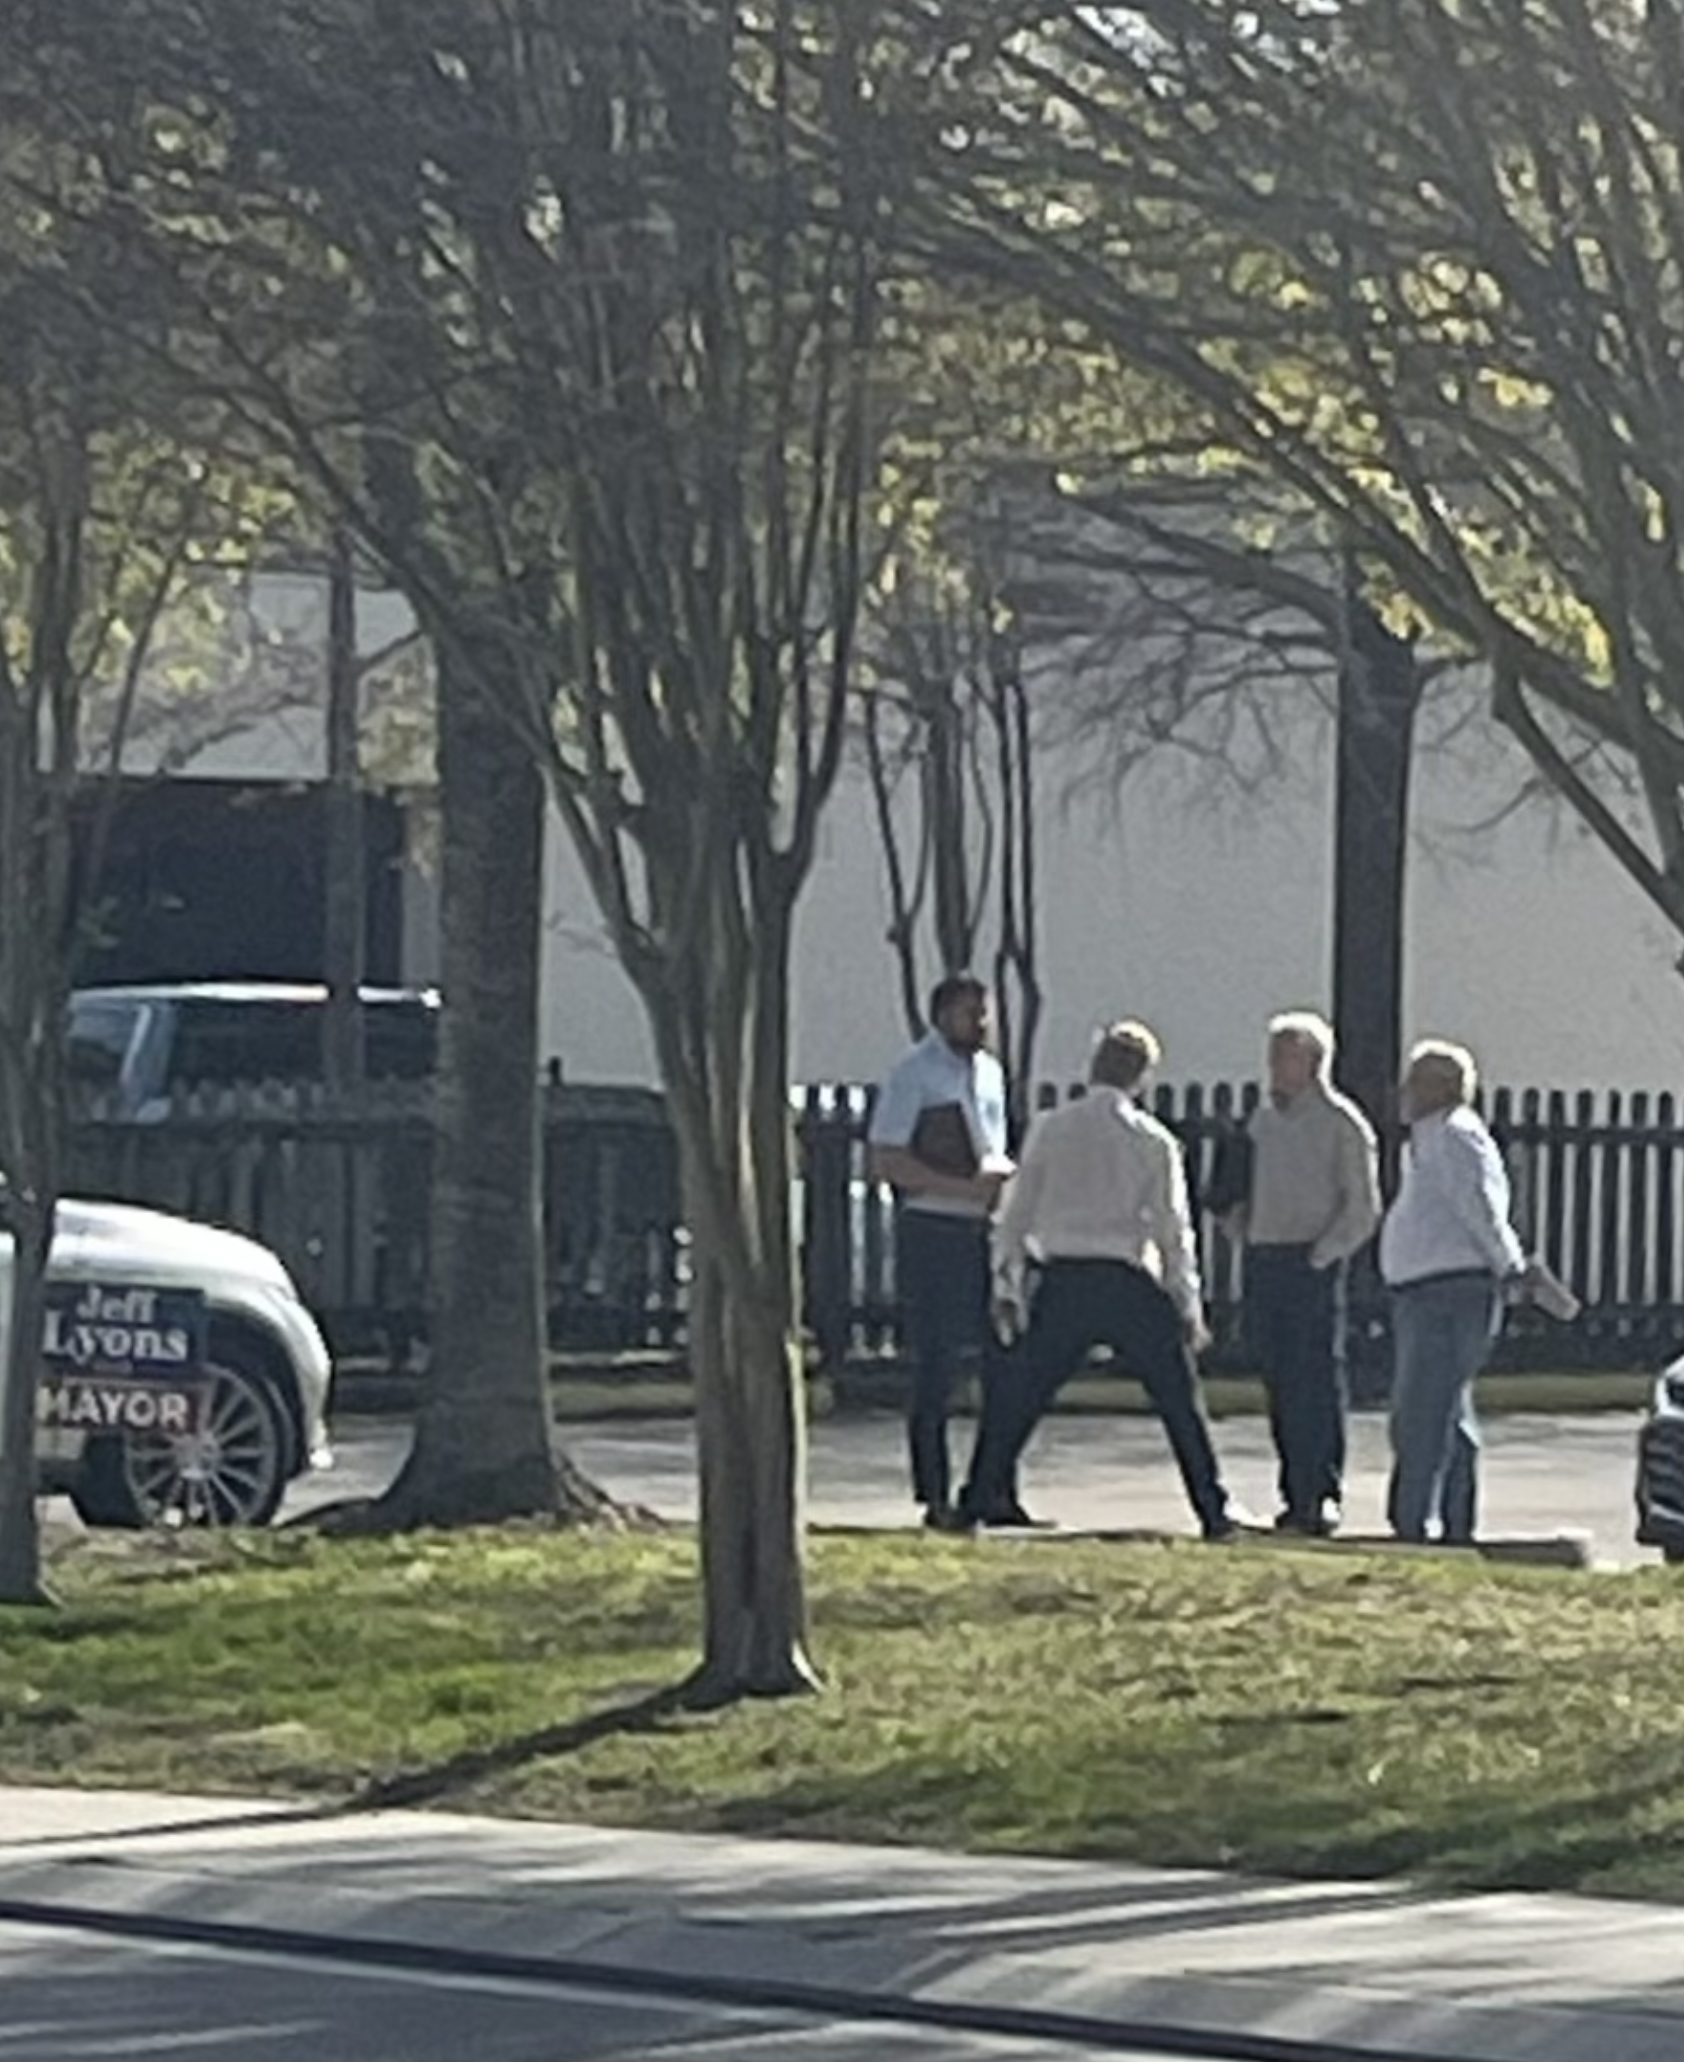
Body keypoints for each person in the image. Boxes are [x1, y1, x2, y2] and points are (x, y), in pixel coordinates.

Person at [954, 1021, 1236, 1540]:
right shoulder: (1153, 1141)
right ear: (1143, 1078)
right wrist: (1187, 1302)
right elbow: (1173, 1228)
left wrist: (1007, 1285)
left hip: (1064, 1277)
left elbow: (1016, 1214)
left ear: (1092, 1067)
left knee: (1021, 1395)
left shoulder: (1050, 1128)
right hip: (1126, 1275)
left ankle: (973, 1500)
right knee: (1178, 1397)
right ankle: (1212, 1508)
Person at [868, 973, 1018, 1526]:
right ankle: (934, 1494)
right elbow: (887, 1158)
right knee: (937, 1364)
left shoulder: (990, 1074)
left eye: (985, 1012)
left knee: (1004, 1359)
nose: (980, 1023)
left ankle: (995, 1489)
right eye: (968, 1013)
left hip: (984, 1229)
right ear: (941, 1016)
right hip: (932, 1228)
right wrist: (959, 1186)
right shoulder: (914, 1074)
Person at [1380, 1038, 1538, 1545]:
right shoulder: (1431, 1138)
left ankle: (1414, 1521)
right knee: (1446, 1406)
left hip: (1448, 1290)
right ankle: (1452, 1521)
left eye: (1414, 1080)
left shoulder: (1452, 1136)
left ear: (1439, 1088)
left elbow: (1479, 1207)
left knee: (1423, 1407)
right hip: (1429, 1288)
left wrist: (1508, 1264)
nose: (1404, 1090)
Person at [1235, 1011, 1381, 1537]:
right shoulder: (1261, 1121)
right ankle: (1291, 1494)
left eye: (1285, 1055)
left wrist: (1322, 1256)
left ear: (1314, 1062)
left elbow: (1362, 1207)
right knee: (1277, 1379)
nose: (1274, 1066)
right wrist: (1240, 1226)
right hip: (1265, 1258)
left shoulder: (1344, 1125)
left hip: (1311, 1263)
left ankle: (1321, 1491)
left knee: (1315, 1380)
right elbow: (1241, 1186)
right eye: (1272, 1055)